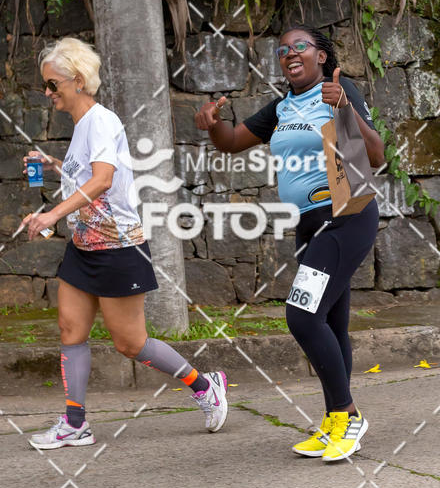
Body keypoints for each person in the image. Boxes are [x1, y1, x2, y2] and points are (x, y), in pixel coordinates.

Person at [22, 36, 228, 449]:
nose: (47, 93)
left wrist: (52, 214)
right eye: (45, 85)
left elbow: (103, 181)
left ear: (78, 80)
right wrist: (53, 165)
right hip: (84, 247)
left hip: (117, 247)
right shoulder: (82, 126)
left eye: (52, 84)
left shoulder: (101, 121)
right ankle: (75, 423)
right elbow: (86, 175)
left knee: (130, 343)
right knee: (70, 329)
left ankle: (205, 386)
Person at [195, 24, 384, 462]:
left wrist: (345, 110)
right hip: (308, 225)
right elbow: (231, 143)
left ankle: (349, 416)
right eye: (282, 50)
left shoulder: (339, 91)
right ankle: (335, 421)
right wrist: (214, 125)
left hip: (345, 216)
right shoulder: (282, 106)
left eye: (300, 46)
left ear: (322, 55)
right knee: (330, 323)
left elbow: (375, 156)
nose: (290, 54)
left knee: (302, 315)